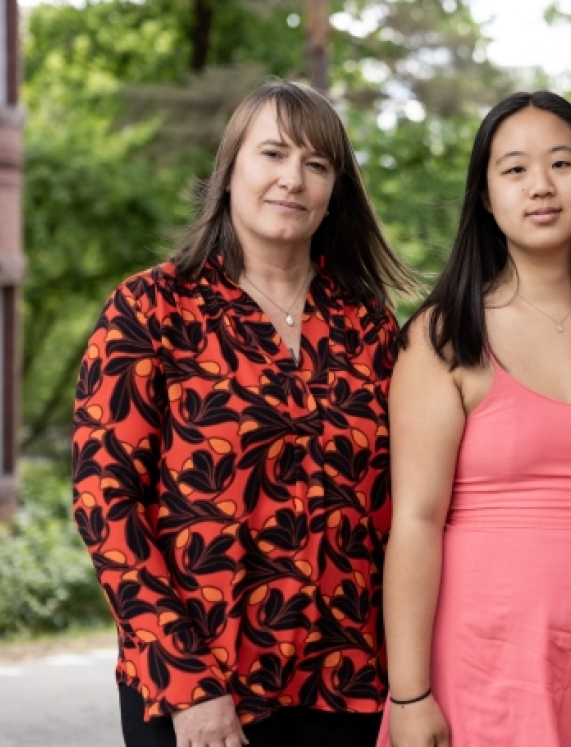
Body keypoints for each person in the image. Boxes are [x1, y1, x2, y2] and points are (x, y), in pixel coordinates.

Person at [71, 80, 415, 747]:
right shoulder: (151, 309)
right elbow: (104, 504)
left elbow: (400, 510)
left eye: (317, 165)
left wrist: (410, 677)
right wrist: (188, 684)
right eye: (274, 154)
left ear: (335, 190)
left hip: (345, 685)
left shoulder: (367, 324)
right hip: (200, 689)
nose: (293, 178)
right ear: (229, 171)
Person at [378, 91, 571, 747]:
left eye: (562, 163)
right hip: (485, 662)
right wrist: (410, 692)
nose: (541, 185)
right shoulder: (444, 336)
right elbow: (416, 523)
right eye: (514, 169)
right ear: (484, 194)